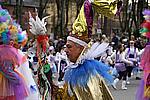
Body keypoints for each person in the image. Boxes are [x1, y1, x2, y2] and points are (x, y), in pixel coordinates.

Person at [52, 0, 121, 99]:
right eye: (66, 47)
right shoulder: (73, 70)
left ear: (81, 48)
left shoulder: (87, 75)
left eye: (69, 47)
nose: (65, 50)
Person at [0, 6, 29, 100]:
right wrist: (18, 80)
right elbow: (7, 70)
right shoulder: (7, 51)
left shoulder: (6, 50)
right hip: (6, 85)